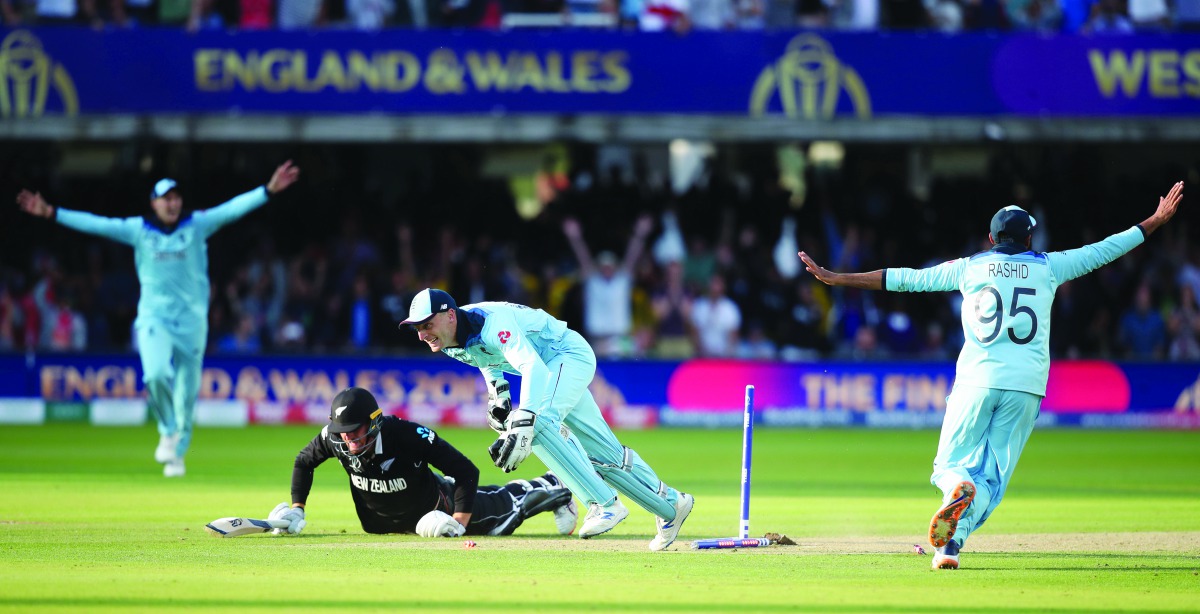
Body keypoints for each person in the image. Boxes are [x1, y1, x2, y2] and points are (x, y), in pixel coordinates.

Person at [798, 181, 1184, 570]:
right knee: (992, 482)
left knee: (948, 467)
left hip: (977, 381)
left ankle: (953, 494)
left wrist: (837, 277)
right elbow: (1104, 251)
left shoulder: (970, 268)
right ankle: (949, 547)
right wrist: (1154, 221)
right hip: (1026, 387)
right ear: (1030, 237)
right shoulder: (1050, 266)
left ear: (990, 238)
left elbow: (905, 278)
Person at [16, 161, 301, 477]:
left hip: (193, 323)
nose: (172, 203)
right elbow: (96, 224)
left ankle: (178, 452)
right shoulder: (140, 230)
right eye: (166, 198)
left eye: (177, 198)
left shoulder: (196, 225)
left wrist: (268, 190)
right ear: (154, 203)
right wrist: (52, 212)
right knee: (154, 375)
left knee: (186, 395)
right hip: (155, 319)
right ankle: (167, 429)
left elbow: (231, 209)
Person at [399, 287, 694, 551]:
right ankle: (671, 505)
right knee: (606, 454)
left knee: (537, 424)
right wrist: (498, 397)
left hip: (567, 356)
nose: (422, 334)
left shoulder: (491, 323)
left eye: (427, 325)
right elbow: (487, 362)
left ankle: (603, 504)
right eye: (417, 328)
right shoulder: (449, 342)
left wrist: (524, 418)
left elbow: (533, 366)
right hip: (556, 367)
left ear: (450, 315)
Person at [266, 387, 578, 538]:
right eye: (343, 433)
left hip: (438, 510)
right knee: (489, 499)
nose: (349, 441)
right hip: (386, 525)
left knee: (502, 512)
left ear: (374, 423)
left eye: (356, 432)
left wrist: (458, 523)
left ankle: (556, 485)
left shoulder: (407, 435)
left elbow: (466, 471)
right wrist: (297, 509)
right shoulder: (333, 438)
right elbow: (303, 462)